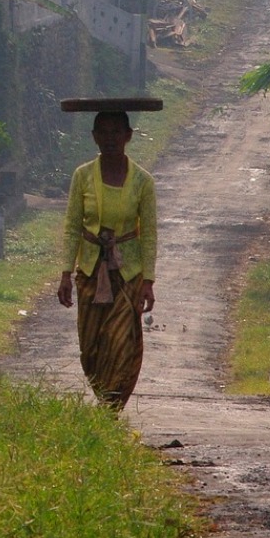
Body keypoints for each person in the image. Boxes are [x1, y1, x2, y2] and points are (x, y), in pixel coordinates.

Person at [57, 111, 158, 407]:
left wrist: (148, 281)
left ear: (128, 136)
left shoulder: (142, 181)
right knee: (90, 348)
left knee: (121, 343)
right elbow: (72, 226)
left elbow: (149, 234)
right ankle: (105, 397)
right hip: (90, 272)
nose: (110, 139)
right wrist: (65, 273)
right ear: (94, 137)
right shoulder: (83, 176)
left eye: (117, 132)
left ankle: (111, 408)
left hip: (127, 276)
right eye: (104, 132)